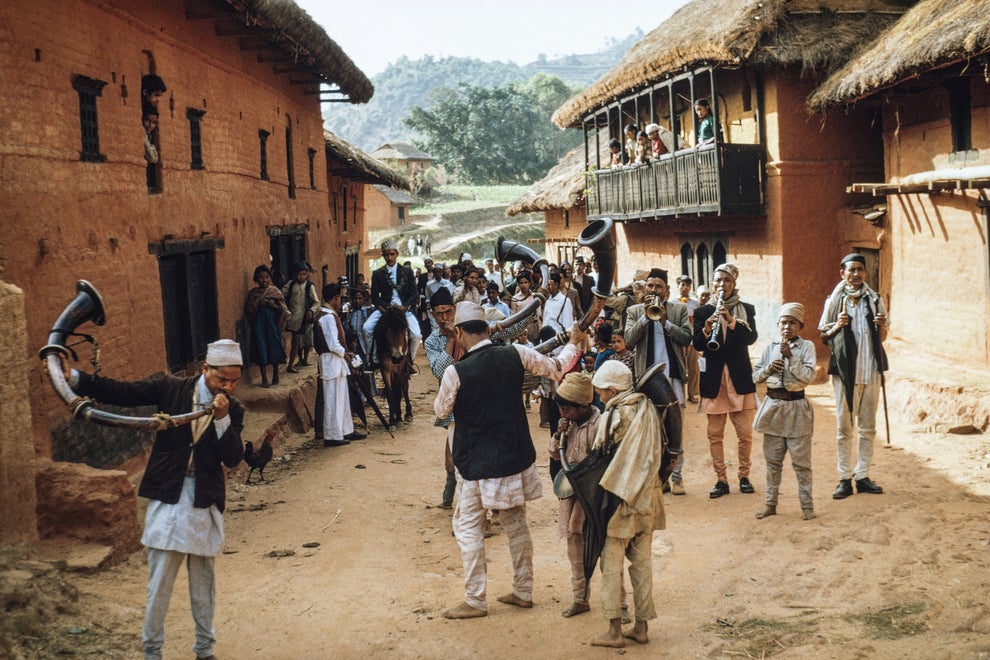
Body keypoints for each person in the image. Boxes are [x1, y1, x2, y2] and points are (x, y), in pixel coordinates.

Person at [69, 339, 245, 660]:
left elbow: (232, 457)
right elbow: (125, 393)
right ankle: (152, 651)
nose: (229, 386)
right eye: (222, 379)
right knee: (160, 581)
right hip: (169, 494)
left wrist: (222, 419)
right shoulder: (172, 389)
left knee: (203, 583)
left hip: (204, 500)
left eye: (234, 380)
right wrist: (78, 381)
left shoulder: (233, 409)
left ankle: (204, 649)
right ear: (206, 369)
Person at [434, 302, 586, 619]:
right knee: (516, 524)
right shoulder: (516, 353)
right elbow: (558, 367)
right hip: (514, 457)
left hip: (476, 464)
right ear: (488, 329)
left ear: (458, 332)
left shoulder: (454, 371)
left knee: (468, 529)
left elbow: (441, 411)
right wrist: (574, 340)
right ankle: (523, 591)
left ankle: (475, 601)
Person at [589, 360, 665, 648]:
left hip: (621, 500)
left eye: (601, 391)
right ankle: (641, 627)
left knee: (611, 565)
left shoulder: (614, 416)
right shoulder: (647, 406)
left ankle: (614, 632)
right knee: (642, 564)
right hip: (649, 496)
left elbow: (600, 456)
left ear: (611, 389)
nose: (600, 396)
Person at [818, 253, 888, 499]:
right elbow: (823, 336)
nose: (856, 274)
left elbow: (883, 338)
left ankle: (863, 475)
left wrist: (882, 326)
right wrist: (838, 325)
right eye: (851, 270)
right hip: (845, 373)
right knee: (844, 428)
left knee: (868, 427)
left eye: (860, 270)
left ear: (865, 273)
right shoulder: (835, 301)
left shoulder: (874, 299)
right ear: (842, 273)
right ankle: (844, 478)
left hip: (871, 371)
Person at [624, 268, 692, 493]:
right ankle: (658, 478)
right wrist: (645, 317)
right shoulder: (634, 311)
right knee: (651, 429)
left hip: (672, 377)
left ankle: (677, 477)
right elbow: (629, 341)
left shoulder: (678, 309)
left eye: (658, 287)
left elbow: (686, 338)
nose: (653, 290)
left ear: (667, 291)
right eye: (650, 286)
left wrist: (665, 322)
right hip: (647, 380)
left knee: (676, 427)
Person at [693, 263, 758, 499]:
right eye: (718, 280)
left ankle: (744, 476)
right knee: (715, 435)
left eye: (727, 280)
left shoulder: (746, 309)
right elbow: (698, 345)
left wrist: (731, 321)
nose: (722, 285)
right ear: (713, 283)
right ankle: (721, 480)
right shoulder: (702, 312)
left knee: (745, 434)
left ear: (734, 283)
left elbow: (751, 338)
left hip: (739, 378)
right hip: (714, 379)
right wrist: (707, 328)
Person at [752, 303, 817, 520]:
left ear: (800, 325)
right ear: (778, 324)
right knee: (772, 461)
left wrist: (791, 357)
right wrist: (769, 369)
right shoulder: (770, 347)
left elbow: (808, 377)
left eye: (792, 322)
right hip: (773, 409)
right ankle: (770, 504)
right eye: (783, 322)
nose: (787, 327)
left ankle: (807, 506)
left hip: (797, 409)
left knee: (801, 463)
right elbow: (754, 376)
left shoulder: (806, 347)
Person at [547, 372, 601, 618]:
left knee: (605, 551)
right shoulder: (566, 425)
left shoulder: (600, 425)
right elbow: (555, 454)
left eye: (566, 408)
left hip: (594, 497)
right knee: (575, 551)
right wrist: (559, 434)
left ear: (583, 406)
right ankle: (580, 598)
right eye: (559, 407)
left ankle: (619, 604)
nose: (562, 412)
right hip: (571, 497)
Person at [424, 288, 460, 509]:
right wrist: (452, 339)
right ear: (433, 315)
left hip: (478, 400)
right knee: (454, 451)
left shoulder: (470, 329)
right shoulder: (432, 342)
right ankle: (449, 498)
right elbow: (439, 371)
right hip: (453, 405)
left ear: (455, 310)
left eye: (448, 312)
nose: (445, 318)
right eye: (440, 314)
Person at [315, 283, 363, 447]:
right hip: (330, 360)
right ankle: (332, 435)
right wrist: (346, 354)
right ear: (335, 298)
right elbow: (332, 344)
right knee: (332, 400)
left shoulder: (330, 314)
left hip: (336, 361)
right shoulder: (327, 317)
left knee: (342, 399)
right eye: (340, 298)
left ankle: (345, 430)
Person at [363, 240, 422, 369]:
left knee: (416, 335)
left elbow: (414, 294)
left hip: (403, 309)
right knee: (366, 328)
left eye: (392, 254)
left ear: (397, 254)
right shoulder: (378, 273)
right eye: (386, 255)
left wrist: (405, 306)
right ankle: (373, 359)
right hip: (385, 309)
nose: (389, 258)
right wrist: (386, 308)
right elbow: (374, 297)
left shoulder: (407, 272)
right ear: (383, 256)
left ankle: (410, 361)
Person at [244, 265, 289, 388]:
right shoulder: (253, 294)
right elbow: (248, 310)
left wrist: (271, 304)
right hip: (258, 326)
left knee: (274, 347)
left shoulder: (274, 292)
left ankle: (275, 373)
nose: (264, 280)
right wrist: (258, 305)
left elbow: (283, 310)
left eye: (266, 277)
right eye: (260, 278)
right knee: (261, 349)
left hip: (272, 325)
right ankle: (264, 378)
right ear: (256, 279)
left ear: (270, 278)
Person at [282, 261, 320, 373]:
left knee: (298, 341)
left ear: (307, 273)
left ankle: (292, 364)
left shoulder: (309, 286)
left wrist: (311, 311)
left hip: (303, 318)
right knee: (296, 342)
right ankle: (293, 363)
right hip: (292, 317)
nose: (301, 277)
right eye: (299, 274)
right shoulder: (291, 284)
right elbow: (281, 294)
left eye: (303, 274)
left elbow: (316, 302)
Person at [675, 274, 701, 403]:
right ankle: (680, 395)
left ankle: (692, 394)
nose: (685, 288)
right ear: (678, 286)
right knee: (680, 368)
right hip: (678, 340)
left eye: (688, 285)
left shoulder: (695, 303)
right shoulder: (672, 303)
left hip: (691, 340)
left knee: (693, 369)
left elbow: (699, 320)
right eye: (683, 285)